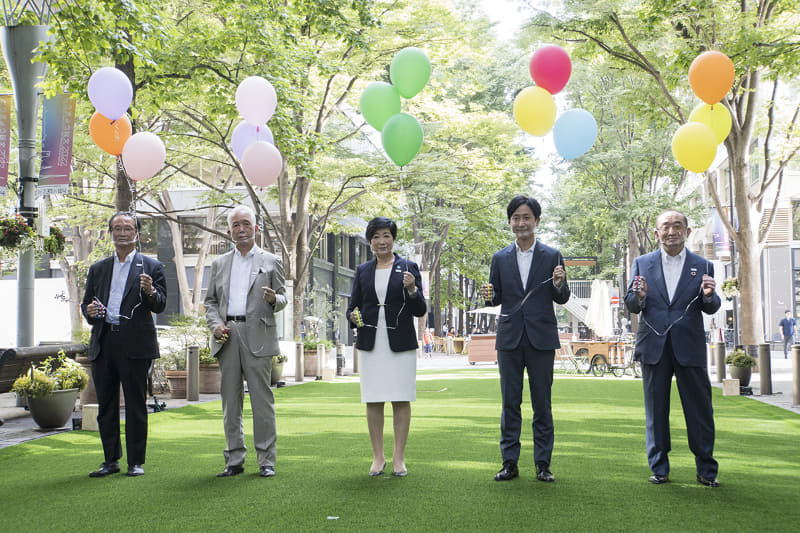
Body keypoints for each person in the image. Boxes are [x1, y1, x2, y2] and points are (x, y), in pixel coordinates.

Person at [624, 209, 722, 488]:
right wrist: (638, 297)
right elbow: (631, 303)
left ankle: (706, 469)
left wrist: (710, 295)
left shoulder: (703, 265)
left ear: (687, 232)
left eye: (677, 225)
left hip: (689, 346)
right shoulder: (642, 263)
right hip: (654, 345)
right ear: (657, 233)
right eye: (665, 226)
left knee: (700, 409)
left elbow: (711, 307)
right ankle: (659, 468)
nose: (671, 231)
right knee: (656, 411)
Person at [479, 195, 570, 483]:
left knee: (542, 404)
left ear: (537, 221)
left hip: (541, 338)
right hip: (509, 339)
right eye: (516, 217)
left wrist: (559, 284)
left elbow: (562, 296)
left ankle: (543, 464)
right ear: (510, 222)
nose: (521, 222)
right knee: (510, 403)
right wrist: (489, 295)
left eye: (527, 217)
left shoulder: (552, 255)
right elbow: (497, 298)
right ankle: (509, 463)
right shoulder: (500, 258)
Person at [81, 211, 167, 478]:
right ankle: (110, 460)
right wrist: (90, 312)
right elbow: (86, 305)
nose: (122, 232)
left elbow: (161, 303)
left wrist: (151, 291)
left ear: (137, 235)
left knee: (135, 404)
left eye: (127, 228)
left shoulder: (151, 267)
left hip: (135, 344)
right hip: (105, 342)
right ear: (110, 233)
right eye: (116, 228)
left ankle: (136, 462)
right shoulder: (98, 269)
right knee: (106, 404)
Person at [205, 205, 287, 478]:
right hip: (228, 335)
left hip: (259, 336)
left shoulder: (271, 261)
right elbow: (211, 302)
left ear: (256, 228)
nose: (241, 229)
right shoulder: (219, 264)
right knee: (230, 402)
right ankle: (234, 460)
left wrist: (274, 299)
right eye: (236, 225)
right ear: (229, 231)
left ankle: (266, 461)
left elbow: (283, 296)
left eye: (246, 224)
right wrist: (215, 325)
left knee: (262, 401)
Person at [347, 217, 426, 477]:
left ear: (393, 238)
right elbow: (353, 307)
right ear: (370, 241)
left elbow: (420, 309)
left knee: (401, 398)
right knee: (374, 398)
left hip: (400, 342)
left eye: (386, 235)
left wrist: (412, 289)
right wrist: (353, 316)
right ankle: (378, 457)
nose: (381, 241)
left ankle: (398, 459)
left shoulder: (408, 267)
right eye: (376, 236)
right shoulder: (363, 271)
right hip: (371, 343)